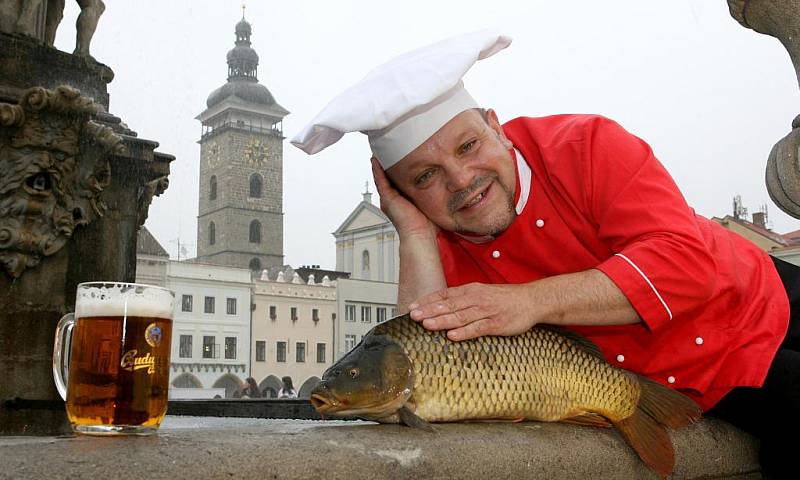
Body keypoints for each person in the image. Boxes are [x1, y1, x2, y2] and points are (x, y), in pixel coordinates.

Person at [292, 30, 799, 478]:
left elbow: (685, 267)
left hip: (764, 295)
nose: (462, 180)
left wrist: (528, 302)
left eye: (468, 146)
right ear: (401, 194)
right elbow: (417, 364)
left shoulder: (584, 144)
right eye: (425, 176)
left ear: (497, 126)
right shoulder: (433, 239)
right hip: (711, 376)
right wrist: (415, 233)